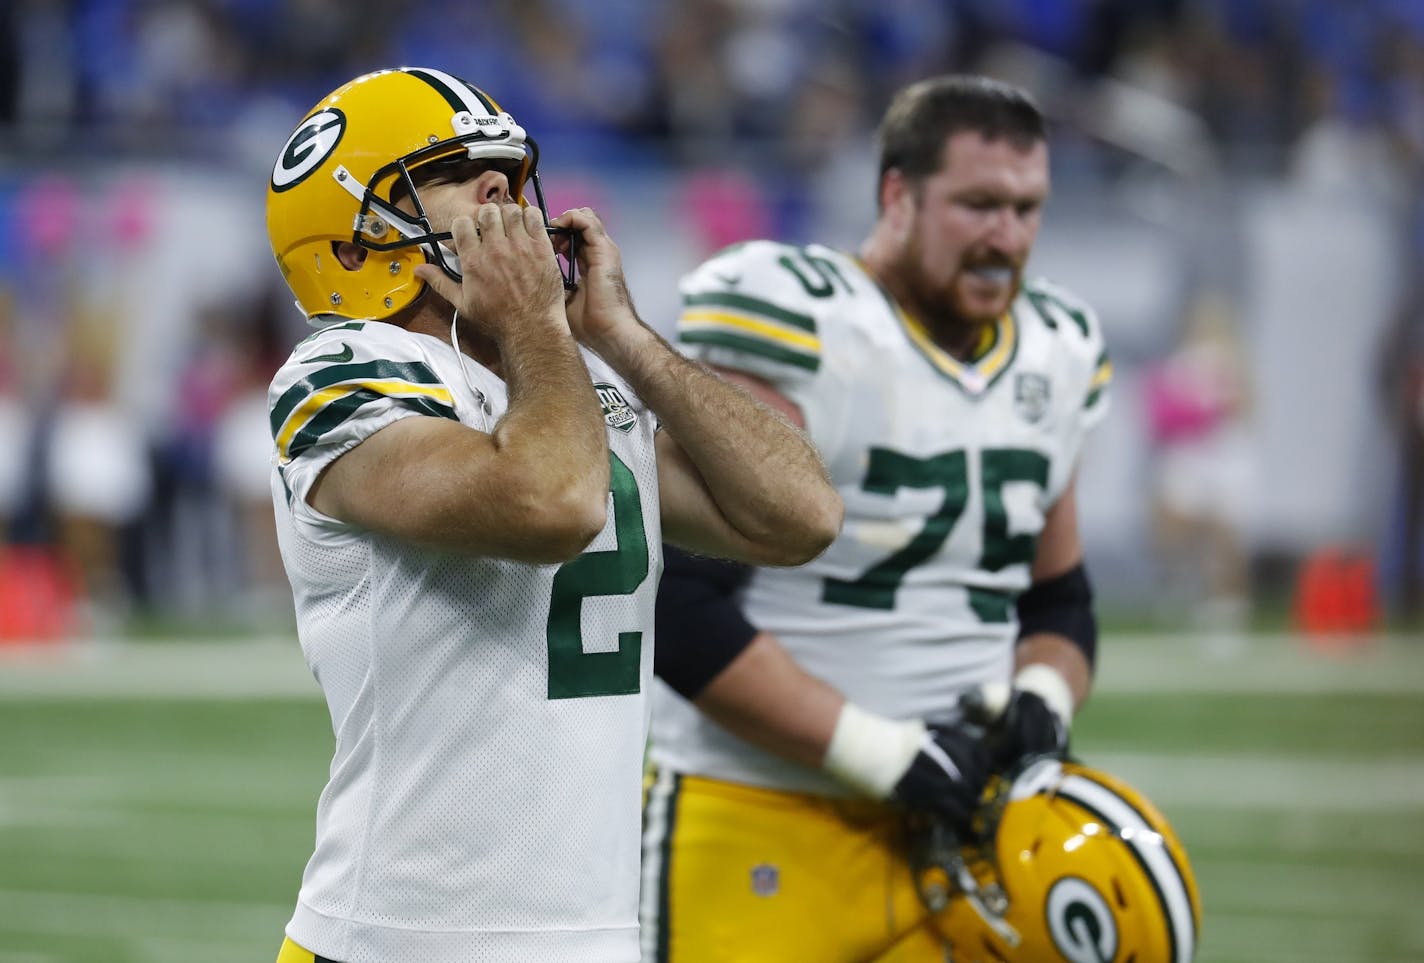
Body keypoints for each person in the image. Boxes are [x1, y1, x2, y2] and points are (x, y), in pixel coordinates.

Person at [262, 66, 841, 963]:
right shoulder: (340, 371)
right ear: (352, 242)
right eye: (453, 174)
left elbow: (801, 515)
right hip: (396, 940)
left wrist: (623, 336)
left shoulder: (574, 377)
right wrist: (539, 325)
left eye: (509, 170)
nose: (504, 191)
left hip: (595, 936)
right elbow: (554, 502)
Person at [642, 74, 1111, 961]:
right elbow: (679, 606)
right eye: (978, 204)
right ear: (897, 193)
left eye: (1026, 208)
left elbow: (1059, 599)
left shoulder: (1061, 346)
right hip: (758, 812)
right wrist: (877, 750)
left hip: (968, 830)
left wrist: (1044, 698)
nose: (1005, 237)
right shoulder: (808, 321)